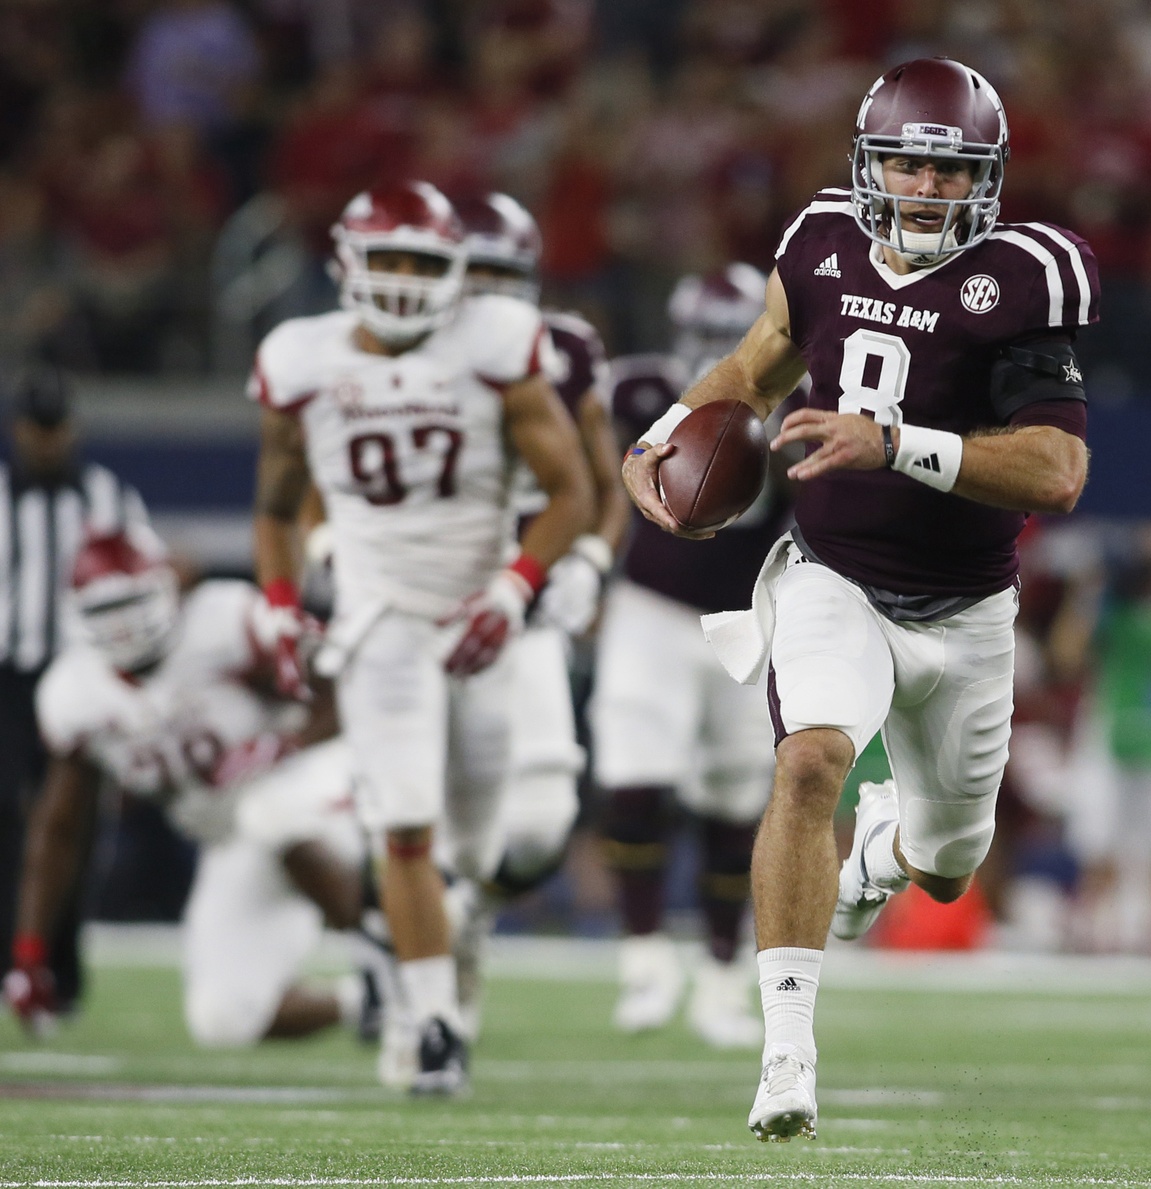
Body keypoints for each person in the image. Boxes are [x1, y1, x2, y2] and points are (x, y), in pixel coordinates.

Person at [620, 58, 1097, 1140]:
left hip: (968, 607)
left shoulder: (1021, 280)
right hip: (834, 575)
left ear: (984, 178)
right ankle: (784, 1053)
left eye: (947, 168)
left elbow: (1055, 473)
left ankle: (880, 851)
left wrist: (892, 443)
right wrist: (652, 446)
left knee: (945, 867)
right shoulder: (821, 241)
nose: (924, 186)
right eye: (906, 161)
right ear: (867, 162)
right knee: (807, 760)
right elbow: (754, 364)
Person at [247, 181, 594, 1094]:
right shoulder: (301, 357)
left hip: (480, 612)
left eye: (421, 262)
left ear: (459, 277)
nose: (401, 281)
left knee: (478, 847)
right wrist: (283, 600)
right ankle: (432, 1017)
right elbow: (277, 504)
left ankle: (439, 954)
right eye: (386, 260)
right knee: (405, 823)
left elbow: (572, 492)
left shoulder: (496, 348)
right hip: (377, 619)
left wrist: (516, 592)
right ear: (346, 265)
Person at [5, 532, 369, 1048]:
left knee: (270, 810)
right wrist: (30, 953)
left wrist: (285, 744)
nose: (125, 624)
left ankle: (395, 950)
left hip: (314, 787)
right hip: (232, 837)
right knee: (223, 1018)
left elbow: (344, 689)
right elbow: (60, 828)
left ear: (164, 589)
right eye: (107, 609)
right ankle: (373, 998)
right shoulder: (76, 694)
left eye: (133, 603)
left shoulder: (221, 622)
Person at [594, 264, 795, 1049]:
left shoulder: (801, 400)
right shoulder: (641, 391)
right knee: (633, 779)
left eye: (729, 334)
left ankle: (718, 975)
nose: (715, 351)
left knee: (733, 800)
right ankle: (644, 958)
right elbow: (599, 474)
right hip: (650, 608)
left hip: (747, 614)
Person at [444, 191, 626, 1040]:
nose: (484, 292)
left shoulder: (565, 351)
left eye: (501, 275)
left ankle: (468, 908)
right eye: (471, 272)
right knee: (414, 797)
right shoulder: (397, 351)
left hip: (523, 600)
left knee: (543, 819)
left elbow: (606, 474)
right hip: (426, 598)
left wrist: (587, 558)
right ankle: (403, 950)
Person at [0, 367, 161, 1024]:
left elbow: (148, 575)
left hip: (83, 673)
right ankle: (21, 963)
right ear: (18, 429)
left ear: (71, 428)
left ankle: (56, 971)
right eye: (35, 428)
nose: (45, 440)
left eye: (54, 426)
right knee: (10, 823)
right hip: (9, 676)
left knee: (72, 826)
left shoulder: (107, 498)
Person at [1050, 528, 1151, 953]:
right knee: (1100, 840)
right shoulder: (1106, 610)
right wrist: (1087, 596)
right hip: (1109, 732)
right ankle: (1092, 928)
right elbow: (1064, 658)